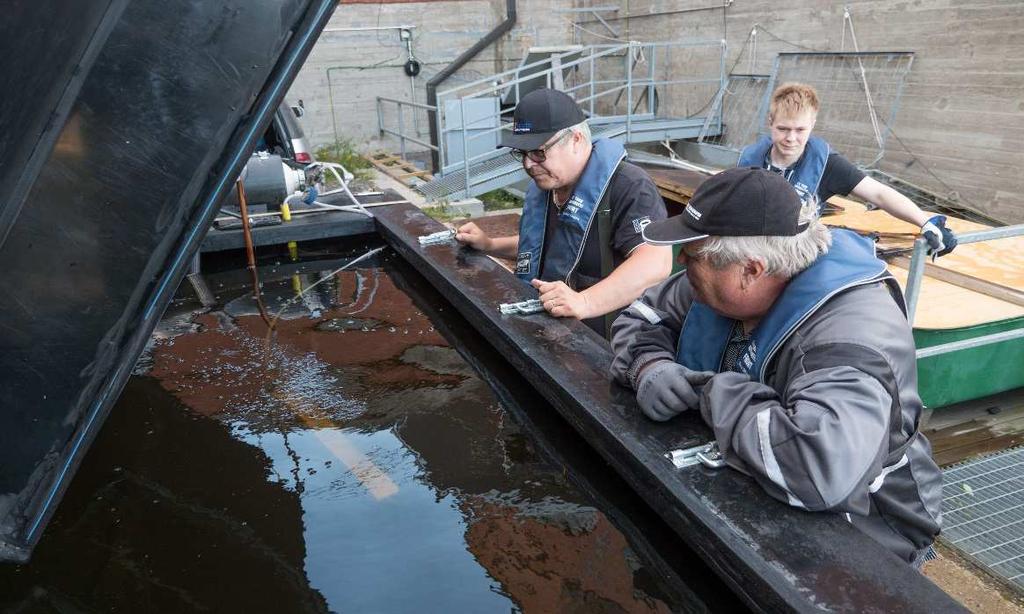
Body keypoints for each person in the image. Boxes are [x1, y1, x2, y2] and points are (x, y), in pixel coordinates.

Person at [609, 167, 942, 565]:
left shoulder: (852, 333)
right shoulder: (715, 282)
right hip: (746, 494)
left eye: (692, 254)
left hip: (867, 532)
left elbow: (821, 468)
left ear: (751, 271)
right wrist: (649, 365)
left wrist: (708, 393)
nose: (682, 260)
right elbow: (641, 317)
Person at [455, 88, 672, 336]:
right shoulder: (549, 186)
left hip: (610, 342)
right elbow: (545, 245)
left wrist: (584, 302)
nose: (528, 164)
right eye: (522, 153)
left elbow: (656, 263)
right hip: (556, 332)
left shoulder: (629, 185)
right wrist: (490, 245)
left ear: (576, 140)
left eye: (538, 152)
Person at [740, 82, 957, 258]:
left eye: (800, 130)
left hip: (795, 257)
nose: (791, 138)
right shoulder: (750, 160)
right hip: (753, 251)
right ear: (770, 122)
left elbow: (879, 194)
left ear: (812, 124)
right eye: (783, 129)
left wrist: (925, 222)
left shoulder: (828, 165)